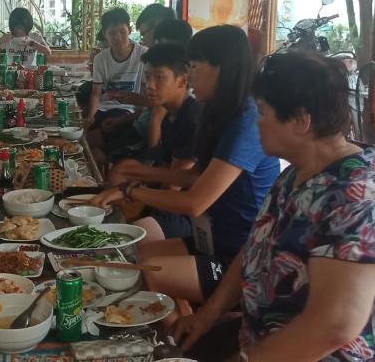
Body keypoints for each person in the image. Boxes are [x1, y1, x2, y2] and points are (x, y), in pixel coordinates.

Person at [172, 51, 375, 361]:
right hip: (267, 339)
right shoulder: (299, 173)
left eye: (262, 112)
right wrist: (207, 314)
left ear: (301, 121)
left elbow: (332, 328)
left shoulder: (360, 202)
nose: (256, 122)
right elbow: (255, 247)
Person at [90, 25, 280, 305]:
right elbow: (195, 176)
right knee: (132, 258)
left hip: (241, 254)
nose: (189, 77)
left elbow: (195, 202)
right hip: (211, 238)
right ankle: (180, 330)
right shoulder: (220, 115)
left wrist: (132, 190)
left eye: (194, 67)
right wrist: (133, 181)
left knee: (146, 275)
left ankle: (173, 344)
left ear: (222, 69)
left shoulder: (245, 122)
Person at [106, 43, 200, 238]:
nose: (150, 85)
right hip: (169, 200)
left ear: (183, 80)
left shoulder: (192, 118)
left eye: (159, 77)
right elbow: (163, 169)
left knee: (127, 236)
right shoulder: (169, 117)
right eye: (148, 77)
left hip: (190, 213)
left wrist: (131, 194)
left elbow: (173, 185)